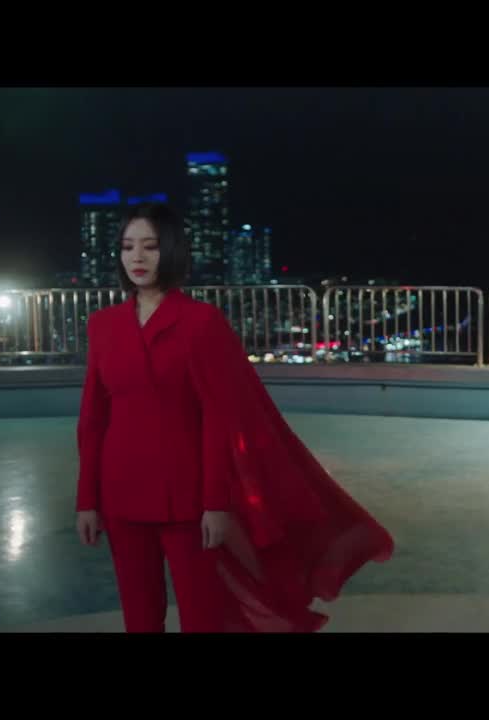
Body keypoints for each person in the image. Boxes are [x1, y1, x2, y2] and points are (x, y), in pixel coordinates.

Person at [75, 202, 394, 632]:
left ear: (171, 250)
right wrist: (87, 501)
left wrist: (214, 504)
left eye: (150, 246)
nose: (137, 257)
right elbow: (93, 419)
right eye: (128, 246)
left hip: (186, 496)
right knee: (139, 617)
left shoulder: (201, 322)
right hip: (120, 492)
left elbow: (218, 419)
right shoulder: (103, 325)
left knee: (202, 617)